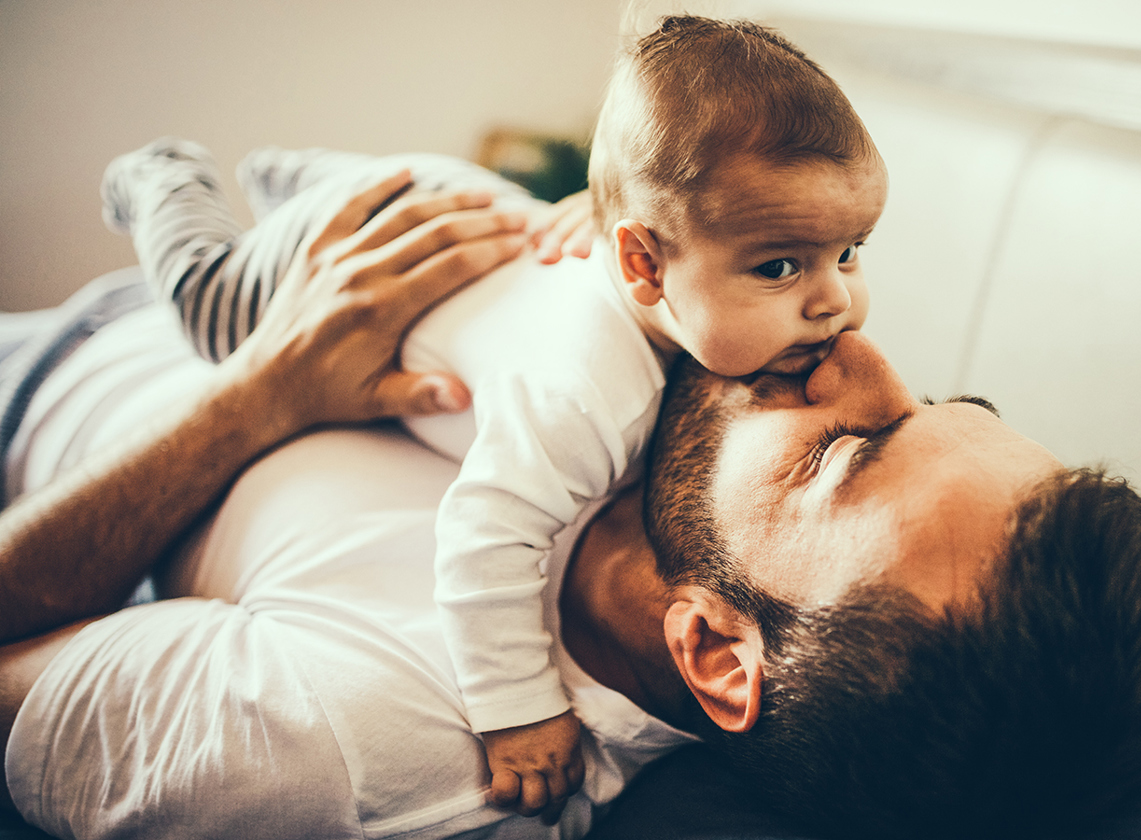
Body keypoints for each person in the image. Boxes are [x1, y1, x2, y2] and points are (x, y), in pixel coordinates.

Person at [98, 15, 886, 820]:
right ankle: (166, 178)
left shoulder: (684, 295)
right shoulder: (580, 398)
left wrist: (600, 206)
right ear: (642, 264)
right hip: (353, 245)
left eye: (850, 251)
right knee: (212, 314)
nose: (835, 303)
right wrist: (519, 709)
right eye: (780, 266)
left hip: (451, 201)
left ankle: (287, 175)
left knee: (376, 194)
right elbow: (484, 541)